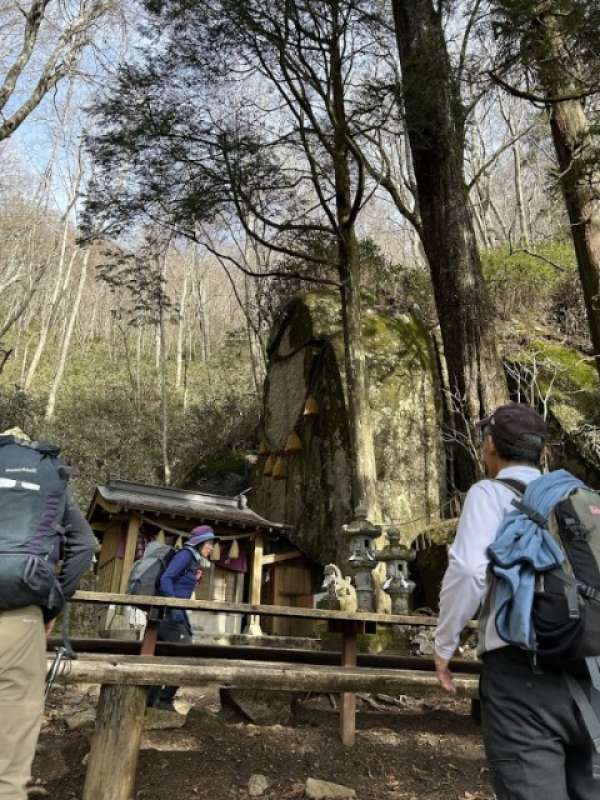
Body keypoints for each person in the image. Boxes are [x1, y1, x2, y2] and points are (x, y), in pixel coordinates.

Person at [434, 403, 596, 800]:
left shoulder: (488, 493)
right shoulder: (582, 498)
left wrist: (444, 644)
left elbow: (470, 572)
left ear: (490, 446)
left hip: (522, 679)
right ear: (543, 453)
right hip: (591, 671)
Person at [0, 428, 97, 800]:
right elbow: (84, 544)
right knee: (9, 765)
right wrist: (51, 603)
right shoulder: (45, 482)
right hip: (20, 615)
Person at [147, 525, 217, 709]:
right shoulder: (186, 555)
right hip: (171, 614)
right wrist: (173, 603)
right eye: (209, 544)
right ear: (200, 543)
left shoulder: (193, 560)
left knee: (161, 659)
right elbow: (166, 579)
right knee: (185, 654)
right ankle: (163, 699)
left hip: (173, 614)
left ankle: (149, 703)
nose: (211, 548)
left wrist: (194, 579)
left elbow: (179, 582)